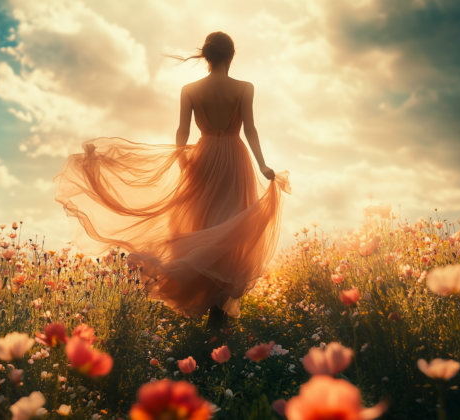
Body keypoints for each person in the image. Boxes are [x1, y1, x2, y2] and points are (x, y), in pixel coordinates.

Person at [54, 31, 290, 330]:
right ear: (231, 56)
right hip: (234, 157)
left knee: (203, 223)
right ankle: (218, 310)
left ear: (206, 56)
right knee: (229, 225)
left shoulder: (190, 89)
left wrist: (182, 162)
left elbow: (182, 132)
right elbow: (251, 130)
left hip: (202, 156)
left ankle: (206, 303)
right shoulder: (244, 88)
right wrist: (263, 165)